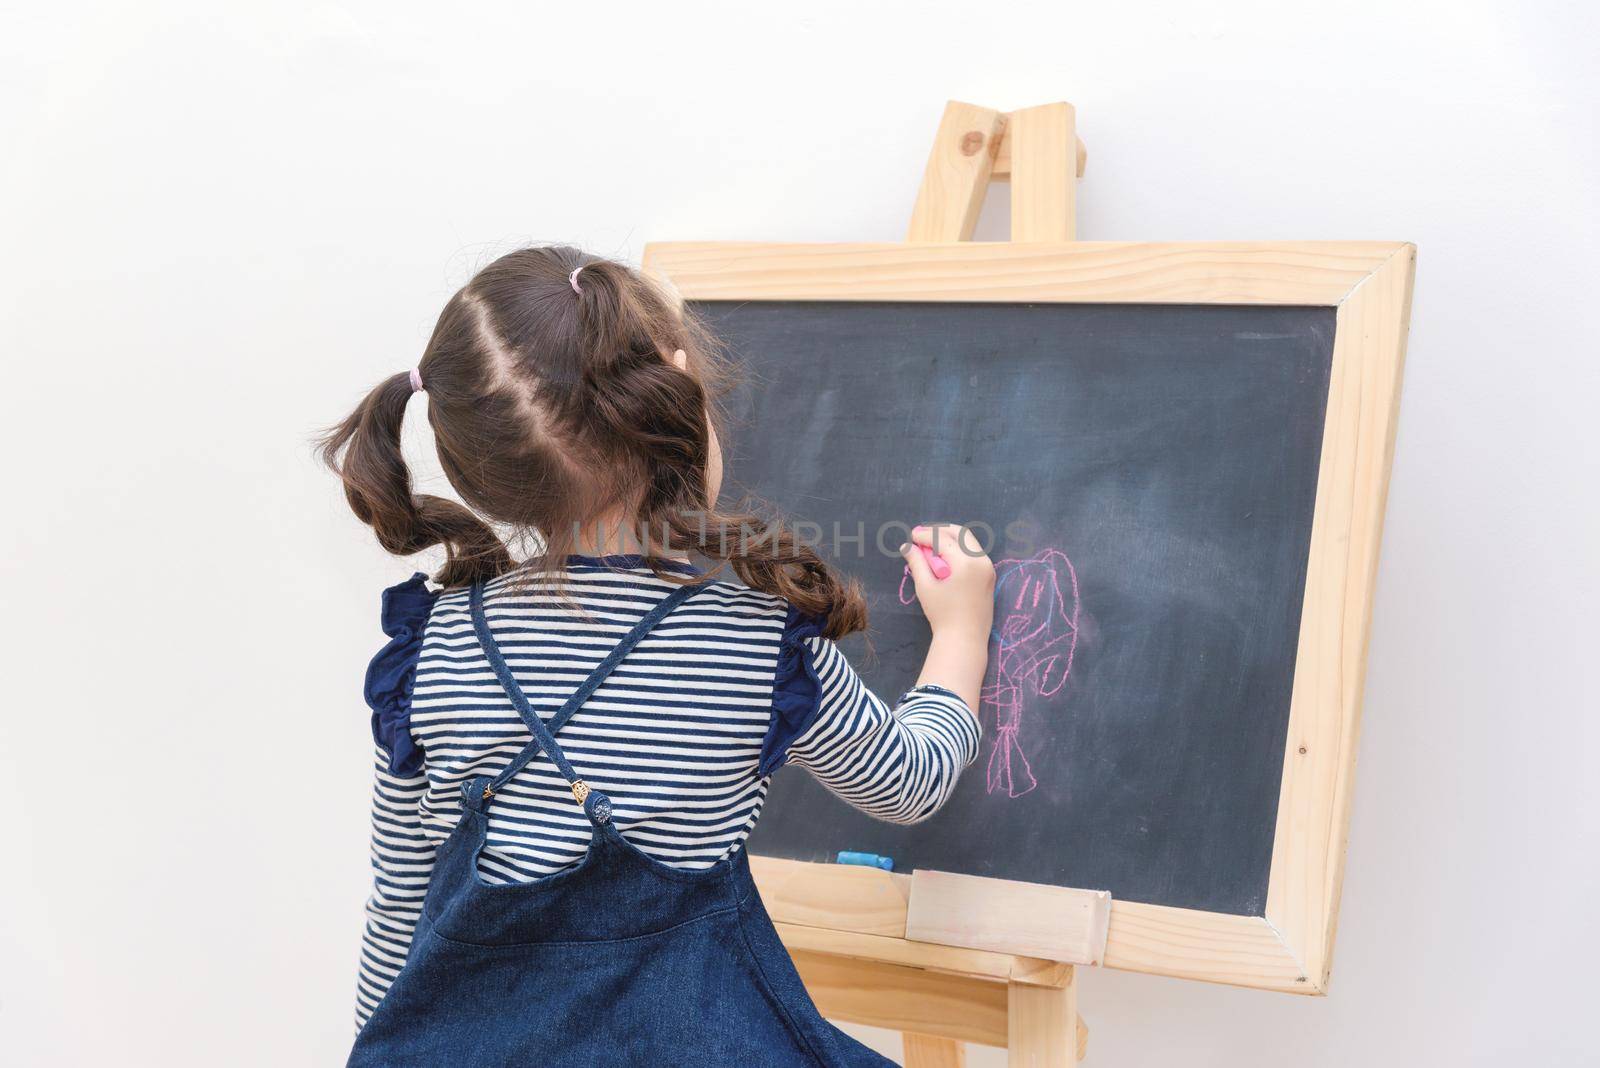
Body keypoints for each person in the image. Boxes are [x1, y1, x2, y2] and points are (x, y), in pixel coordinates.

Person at [320, 246, 995, 1065]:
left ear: (479, 468)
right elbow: (908, 780)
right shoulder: (749, 637)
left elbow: (400, 908)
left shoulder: (433, 648)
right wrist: (960, 633)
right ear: (678, 397)